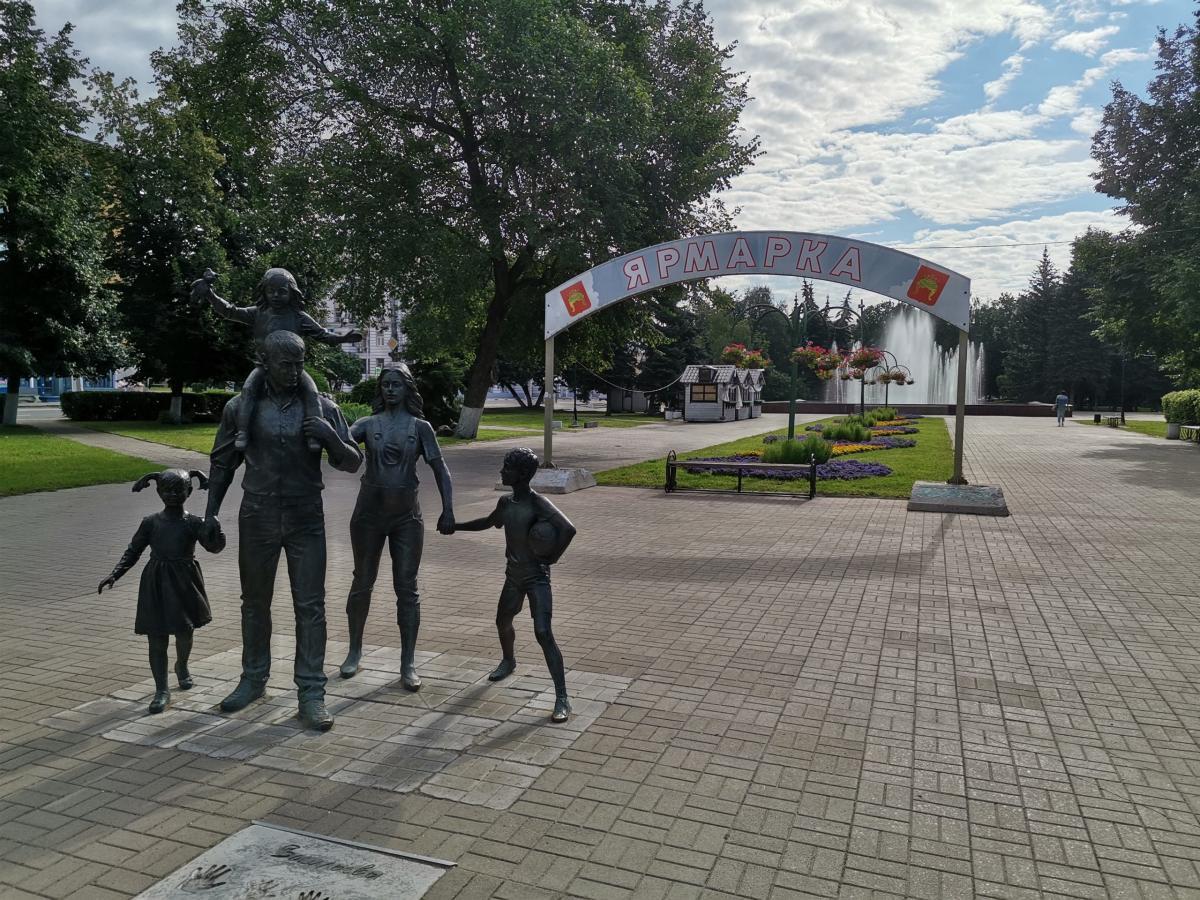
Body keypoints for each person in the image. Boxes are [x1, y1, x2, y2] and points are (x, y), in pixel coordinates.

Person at [204, 330, 364, 731]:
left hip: (304, 515)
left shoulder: (323, 407)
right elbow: (222, 465)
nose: (294, 371)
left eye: (299, 363)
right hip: (257, 514)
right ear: (265, 362)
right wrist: (210, 514)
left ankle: (311, 692)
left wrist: (331, 439)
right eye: (285, 364)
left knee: (310, 605)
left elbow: (352, 462)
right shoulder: (240, 408)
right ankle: (253, 678)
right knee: (254, 602)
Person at [339, 364, 455, 687]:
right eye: (385, 384)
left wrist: (448, 509)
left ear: (407, 389)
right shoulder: (367, 424)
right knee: (362, 581)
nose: (390, 389)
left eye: (396, 384)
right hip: (368, 516)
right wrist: (328, 423)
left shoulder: (420, 428)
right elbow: (341, 449)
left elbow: (441, 469)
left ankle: (408, 662)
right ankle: (354, 651)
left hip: (407, 518)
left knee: (407, 588)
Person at [446, 448, 576, 723]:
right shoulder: (506, 503)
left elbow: (568, 529)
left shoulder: (538, 503)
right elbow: (487, 522)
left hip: (537, 577)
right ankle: (508, 660)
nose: (501, 471)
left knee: (543, 632)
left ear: (522, 474)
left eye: (507, 468)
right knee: (502, 621)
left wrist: (551, 557)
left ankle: (562, 696)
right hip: (513, 576)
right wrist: (456, 526)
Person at [192, 267, 362, 452]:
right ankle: (242, 432)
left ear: (291, 293)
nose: (275, 295)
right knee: (248, 390)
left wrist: (341, 339)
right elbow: (229, 311)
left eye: (282, 291)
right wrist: (210, 294)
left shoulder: (299, 317)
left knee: (312, 393)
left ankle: (313, 435)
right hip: (263, 368)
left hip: (293, 369)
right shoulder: (257, 313)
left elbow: (322, 334)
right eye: (271, 291)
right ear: (264, 291)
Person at [98, 469, 226, 715]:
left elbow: (213, 547)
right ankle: (161, 690)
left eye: (179, 490)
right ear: (158, 491)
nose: (173, 495)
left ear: (189, 491)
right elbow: (133, 550)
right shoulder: (151, 522)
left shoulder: (193, 523)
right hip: (156, 581)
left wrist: (216, 530)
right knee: (156, 637)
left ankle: (182, 665)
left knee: (184, 632)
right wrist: (115, 573)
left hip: (185, 582)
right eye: (167, 490)